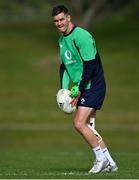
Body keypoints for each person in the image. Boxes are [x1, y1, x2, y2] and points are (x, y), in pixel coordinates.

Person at [52, 4, 118, 173]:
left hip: (93, 85)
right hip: (84, 87)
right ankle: (111, 164)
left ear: (68, 18)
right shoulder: (62, 40)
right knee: (89, 126)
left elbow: (90, 66)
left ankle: (100, 159)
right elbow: (64, 67)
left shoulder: (82, 36)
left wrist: (80, 89)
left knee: (79, 123)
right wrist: (63, 90)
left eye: (61, 19)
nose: (59, 23)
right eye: (56, 21)